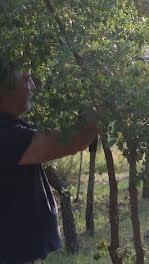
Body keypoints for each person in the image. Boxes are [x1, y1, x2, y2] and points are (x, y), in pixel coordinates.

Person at [0, 68, 98, 264]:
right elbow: (74, 140)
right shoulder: (7, 137)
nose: (33, 87)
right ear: (5, 89)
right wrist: (103, 106)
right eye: (27, 80)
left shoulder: (11, 127)